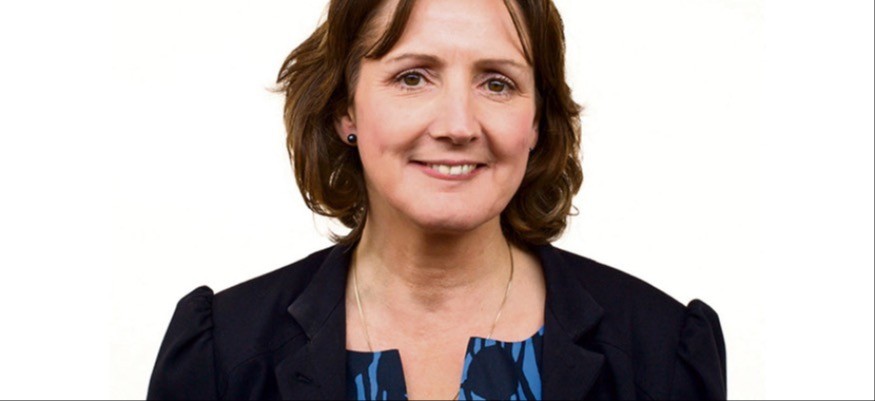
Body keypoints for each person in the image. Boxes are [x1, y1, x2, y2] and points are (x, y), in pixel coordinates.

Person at [147, 0, 727, 399]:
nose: (457, 125)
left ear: (536, 122)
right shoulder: (222, 354)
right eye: (412, 77)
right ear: (346, 110)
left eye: (497, 82)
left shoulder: (661, 352)